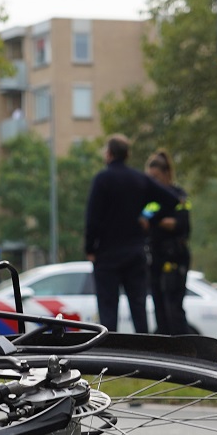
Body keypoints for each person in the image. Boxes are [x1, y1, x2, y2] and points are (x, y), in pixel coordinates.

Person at [82, 133, 165, 334]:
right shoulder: (140, 179)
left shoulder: (102, 179)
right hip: (135, 252)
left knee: (108, 309)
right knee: (138, 308)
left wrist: (90, 248)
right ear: (127, 155)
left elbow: (92, 217)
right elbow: (167, 198)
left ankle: (112, 357)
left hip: (107, 254)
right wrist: (147, 215)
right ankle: (145, 356)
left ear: (109, 154)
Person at [142, 150, 192, 336]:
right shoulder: (149, 199)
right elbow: (143, 221)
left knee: (174, 309)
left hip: (175, 258)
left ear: (166, 174)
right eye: (149, 178)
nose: (152, 182)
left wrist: (154, 220)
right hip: (155, 258)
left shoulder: (179, 195)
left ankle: (184, 354)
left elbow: (177, 223)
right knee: (159, 309)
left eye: (155, 177)